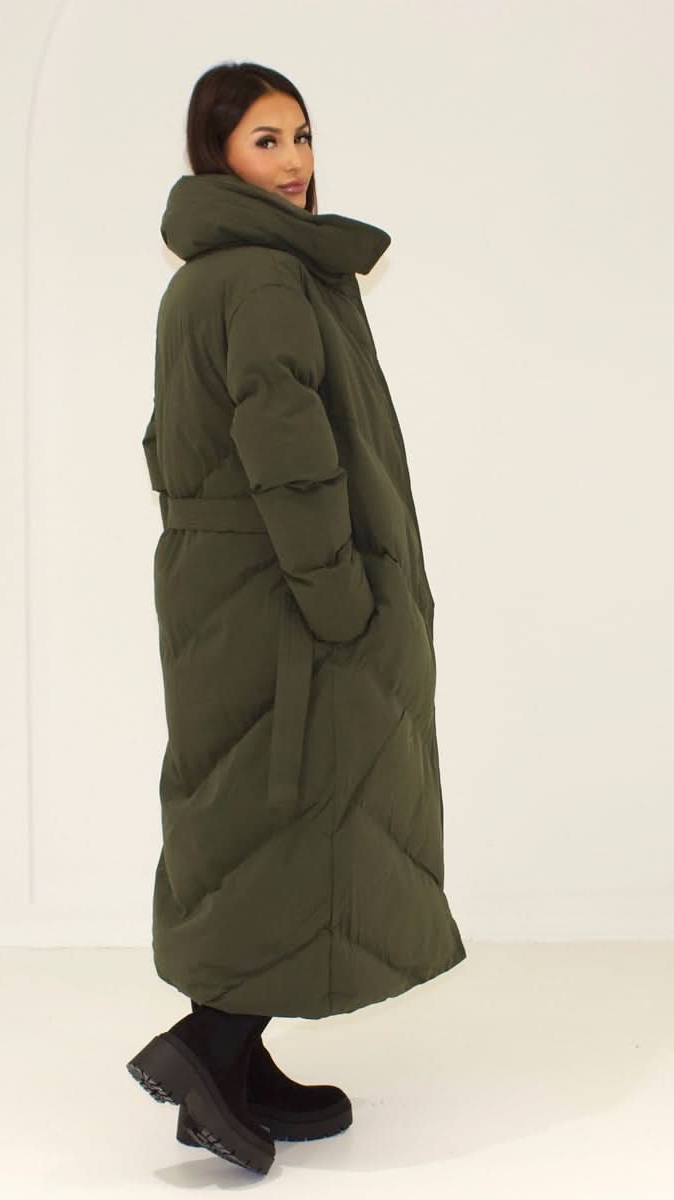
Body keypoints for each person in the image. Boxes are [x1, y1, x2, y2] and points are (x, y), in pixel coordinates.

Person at [127, 61, 467, 1175]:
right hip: (284, 592)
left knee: (253, 815)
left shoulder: (207, 278)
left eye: (301, 137)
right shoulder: (267, 279)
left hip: (223, 587)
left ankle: (237, 1059)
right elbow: (289, 453)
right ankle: (202, 1052)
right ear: (214, 155)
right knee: (296, 809)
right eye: (264, 141)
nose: (292, 163)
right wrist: (339, 597)